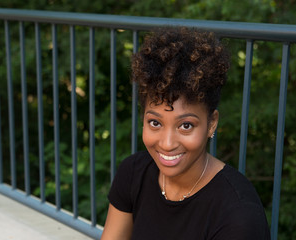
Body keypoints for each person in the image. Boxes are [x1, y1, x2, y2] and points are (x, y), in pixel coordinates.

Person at [101, 27, 270, 240]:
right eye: (155, 122)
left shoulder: (239, 215)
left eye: (186, 126)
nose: (168, 143)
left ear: (211, 123)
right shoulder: (133, 173)